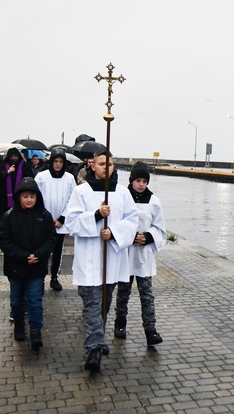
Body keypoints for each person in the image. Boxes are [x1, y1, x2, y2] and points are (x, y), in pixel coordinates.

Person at [64, 152, 139, 372]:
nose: (108, 167)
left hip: (111, 258)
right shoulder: (81, 192)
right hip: (89, 259)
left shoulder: (123, 193)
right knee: (92, 305)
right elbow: (72, 222)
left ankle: (98, 339)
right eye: (102, 163)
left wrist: (114, 233)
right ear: (92, 166)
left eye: (111, 164)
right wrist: (96, 215)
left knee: (104, 303)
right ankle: (93, 350)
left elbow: (132, 220)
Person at [0, 177, 57, 350]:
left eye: (32, 196)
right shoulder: (9, 216)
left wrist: (39, 254)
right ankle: (19, 325)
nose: (29, 200)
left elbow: (51, 238)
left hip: (36, 267)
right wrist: (23, 256)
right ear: (19, 197)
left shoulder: (44, 216)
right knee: (16, 300)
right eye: (25, 196)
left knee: (34, 299)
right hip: (16, 267)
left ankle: (36, 330)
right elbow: (4, 241)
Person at [114, 162, 166, 346]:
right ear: (131, 180)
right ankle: (120, 323)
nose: (141, 184)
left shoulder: (154, 202)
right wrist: (129, 235)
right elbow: (117, 222)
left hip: (144, 255)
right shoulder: (122, 198)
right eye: (138, 180)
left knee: (146, 294)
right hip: (126, 252)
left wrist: (149, 237)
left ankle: (150, 330)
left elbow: (160, 227)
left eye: (144, 181)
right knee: (123, 292)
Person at [35, 149, 76, 291]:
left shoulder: (70, 178)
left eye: (61, 162)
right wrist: (44, 218)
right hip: (44, 222)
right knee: (43, 251)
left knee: (58, 251)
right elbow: (36, 197)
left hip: (60, 223)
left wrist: (62, 218)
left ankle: (54, 277)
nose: (58, 164)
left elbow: (72, 200)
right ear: (51, 162)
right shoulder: (41, 177)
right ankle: (39, 278)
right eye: (55, 161)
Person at [0, 147, 34, 234]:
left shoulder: (25, 165)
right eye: (12, 156)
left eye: (15, 156)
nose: (13, 158)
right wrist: (7, 172)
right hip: (5, 198)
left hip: (21, 197)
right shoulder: (3, 165)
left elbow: (30, 179)